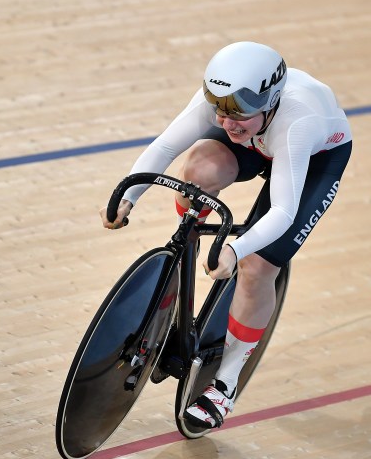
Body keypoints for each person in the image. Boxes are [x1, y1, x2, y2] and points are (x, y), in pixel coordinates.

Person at [100, 41, 352, 430]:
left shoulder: (297, 122)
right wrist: (126, 197)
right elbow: (166, 145)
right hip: (259, 142)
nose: (225, 121)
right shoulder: (225, 106)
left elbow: (284, 210)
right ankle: (190, 236)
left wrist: (236, 249)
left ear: (270, 102)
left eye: (238, 112)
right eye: (219, 109)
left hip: (313, 160)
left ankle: (226, 382)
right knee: (199, 169)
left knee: (256, 267)